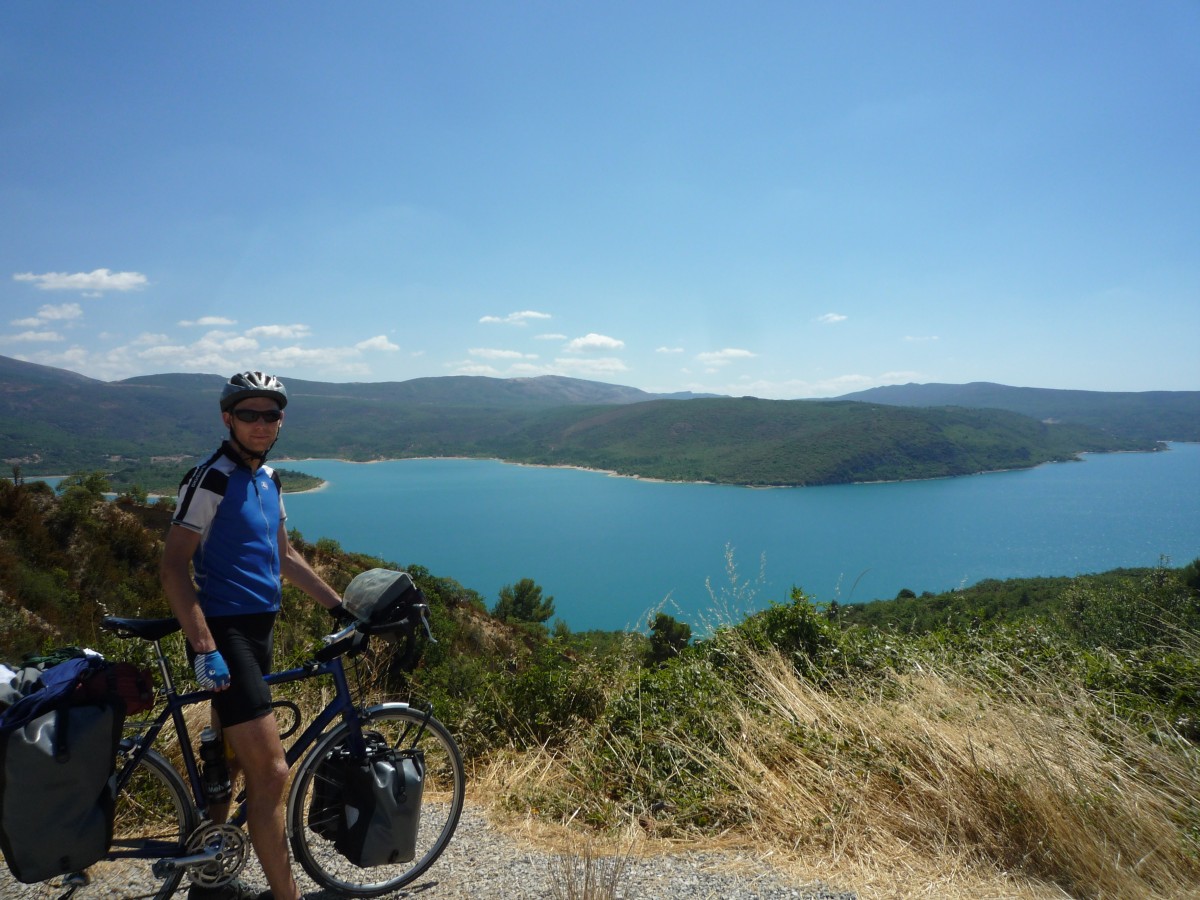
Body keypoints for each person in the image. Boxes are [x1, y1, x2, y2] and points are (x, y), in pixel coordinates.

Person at [161, 371, 354, 900]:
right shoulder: (212, 478)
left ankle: (210, 869)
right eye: (249, 414)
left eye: (271, 415)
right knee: (271, 774)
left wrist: (340, 608)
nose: (261, 424)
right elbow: (174, 567)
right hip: (224, 636)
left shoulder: (268, 480)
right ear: (228, 418)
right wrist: (205, 648)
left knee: (227, 755)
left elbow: (285, 556)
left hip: (259, 629)